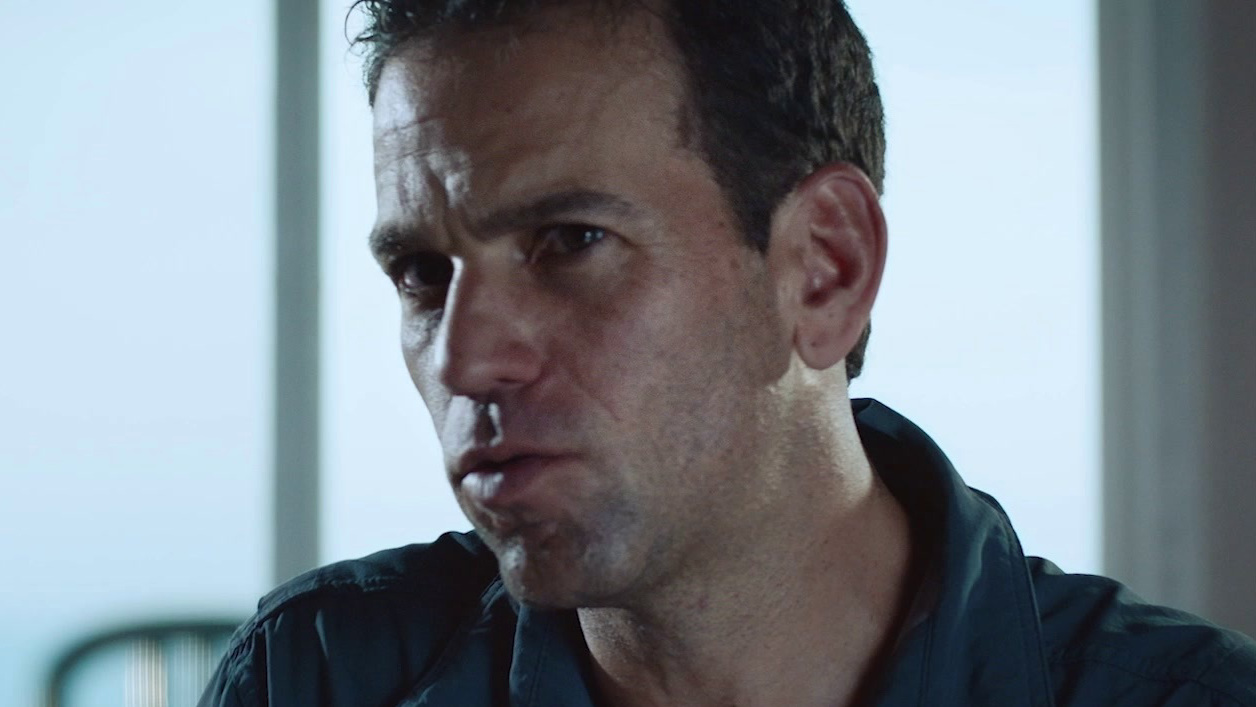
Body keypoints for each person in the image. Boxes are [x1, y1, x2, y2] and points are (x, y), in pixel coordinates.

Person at [200, 1, 1256, 705]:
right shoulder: (312, 677)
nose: (464, 361)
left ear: (823, 269)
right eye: (424, 274)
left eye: (569, 242)